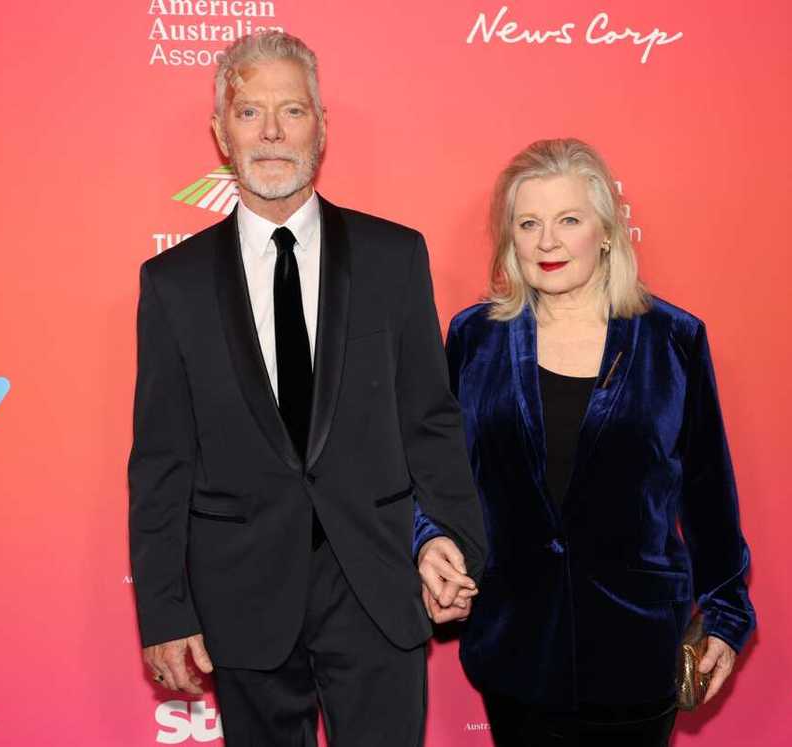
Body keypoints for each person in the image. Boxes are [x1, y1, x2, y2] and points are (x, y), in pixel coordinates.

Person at [127, 31, 486, 747]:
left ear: (320, 126)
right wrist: (166, 610)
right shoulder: (173, 285)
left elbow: (431, 422)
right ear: (220, 131)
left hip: (378, 583)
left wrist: (453, 535)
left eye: (291, 111)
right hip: (241, 593)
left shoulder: (394, 256)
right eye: (249, 112)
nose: (270, 133)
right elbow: (162, 460)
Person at [418, 139, 756, 745]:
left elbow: (708, 493)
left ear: (605, 231)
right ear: (509, 239)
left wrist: (727, 615)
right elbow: (435, 471)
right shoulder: (474, 338)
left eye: (568, 220)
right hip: (515, 643)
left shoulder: (673, 339)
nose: (548, 241)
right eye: (529, 223)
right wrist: (428, 538)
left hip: (637, 645)